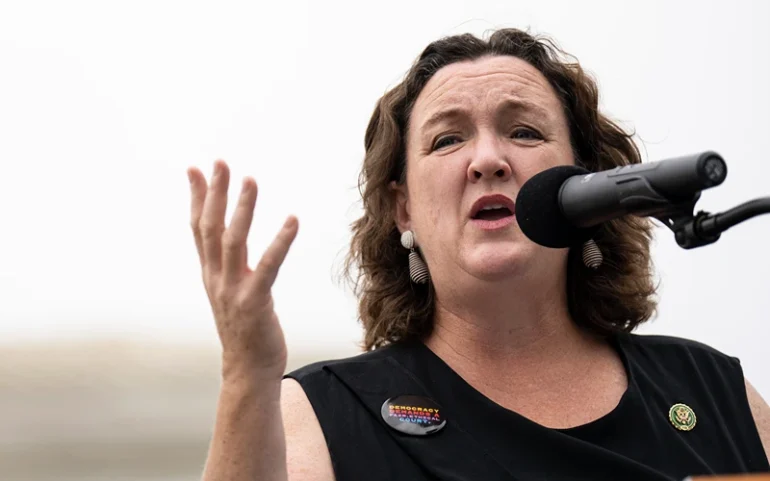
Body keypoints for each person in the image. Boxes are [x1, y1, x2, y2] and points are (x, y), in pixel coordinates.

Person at [186, 28, 770, 481]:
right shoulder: (319, 413)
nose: (488, 158)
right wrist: (247, 373)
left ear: (589, 185)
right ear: (403, 210)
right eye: (447, 139)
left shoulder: (715, 391)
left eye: (524, 133)